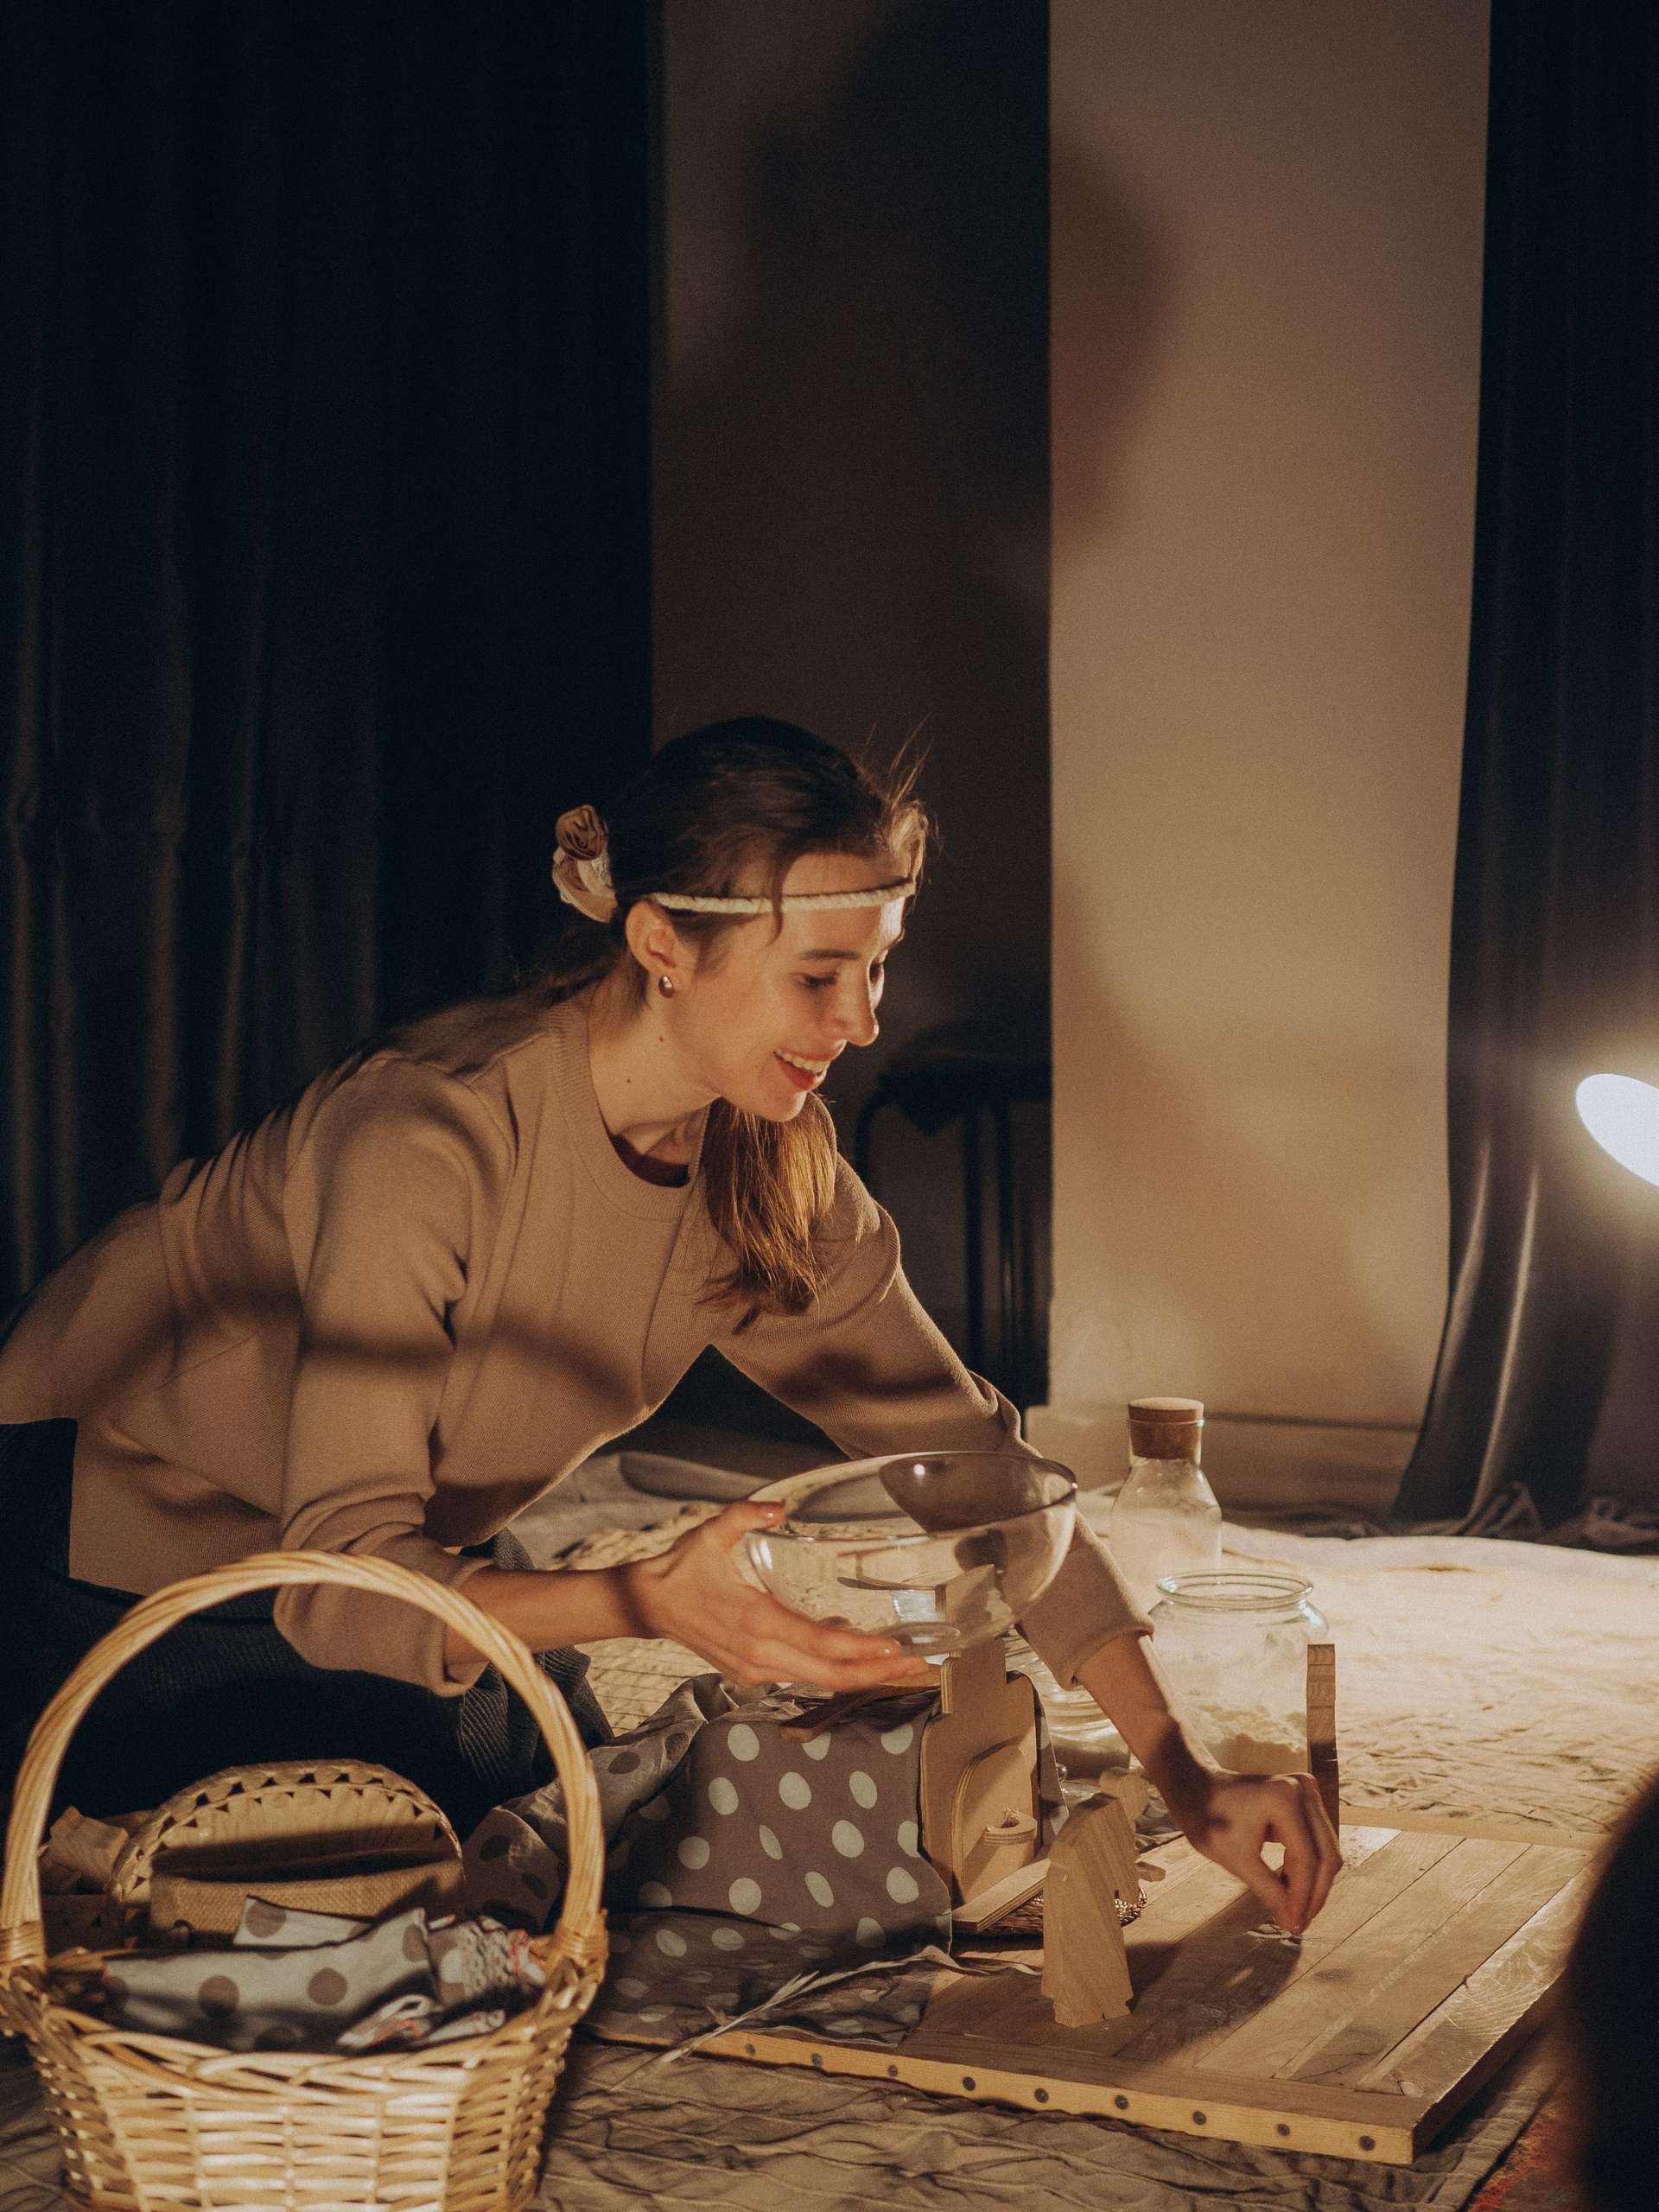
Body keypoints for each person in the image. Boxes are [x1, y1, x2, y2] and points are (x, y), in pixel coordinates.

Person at [0, 717, 1338, 1927]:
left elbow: (986, 1477)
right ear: (660, 946)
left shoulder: (769, 1169)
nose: (864, 1023)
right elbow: (333, 1589)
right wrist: (648, 1597)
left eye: (877, 969)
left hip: (400, 1561)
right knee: (364, 1894)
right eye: (819, 977)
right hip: (122, 1552)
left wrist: (1190, 1775)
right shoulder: (424, 1135)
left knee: (596, 1826)